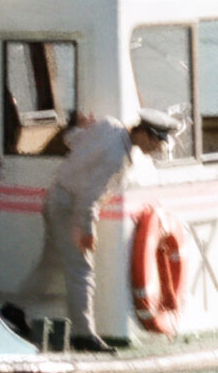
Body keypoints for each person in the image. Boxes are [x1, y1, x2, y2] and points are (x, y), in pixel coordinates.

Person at [14, 109, 180, 350]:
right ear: (144, 133)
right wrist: (86, 230)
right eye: (155, 142)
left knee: (52, 264)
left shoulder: (108, 124)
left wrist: (76, 128)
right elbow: (89, 197)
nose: (155, 149)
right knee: (82, 271)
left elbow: (72, 139)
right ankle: (83, 335)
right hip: (69, 208)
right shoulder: (117, 159)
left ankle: (14, 310)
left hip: (57, 198)